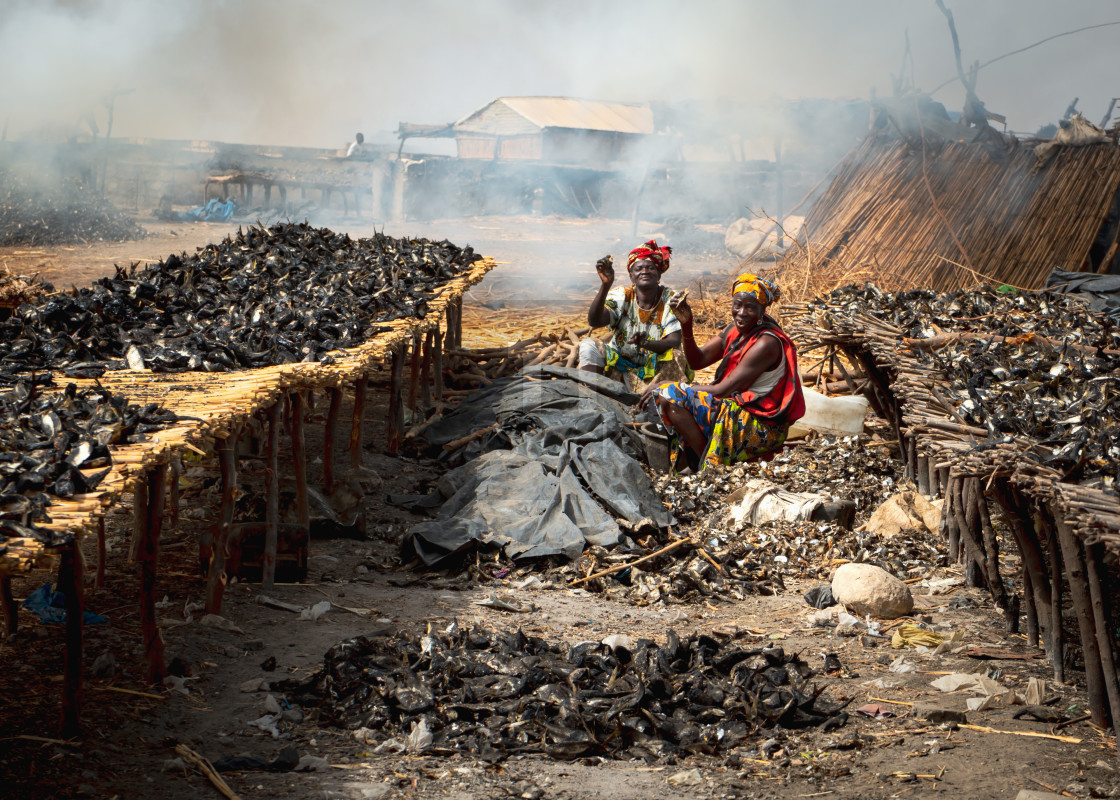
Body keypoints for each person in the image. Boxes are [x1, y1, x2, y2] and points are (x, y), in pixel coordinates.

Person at [640, 272, 805, 472]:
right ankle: (702, 459)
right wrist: (686, 325)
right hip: (738, 409)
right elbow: (697, 361)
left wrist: (670, 386)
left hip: (761, 426)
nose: (741, 313)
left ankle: (708, 467)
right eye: (738, 305)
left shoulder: (766, 343)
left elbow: (721, 391)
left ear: (763, 312)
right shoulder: (735, 330)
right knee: (671, 395)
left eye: (750, 308)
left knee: (670, 395)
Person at [578, 240, 690, 391]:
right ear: (631, 276)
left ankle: (656, 401)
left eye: (650, 268)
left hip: (655, 376)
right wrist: (605, 285)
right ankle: (590, 397)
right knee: (588, 345)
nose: (644, 271)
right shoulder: (622, 295)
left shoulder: (670, 298)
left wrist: (646, 343)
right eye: (639, 268)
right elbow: (595, 321)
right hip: (619, 371)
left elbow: (674, 341)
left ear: (658, 275)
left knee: (676, 356)